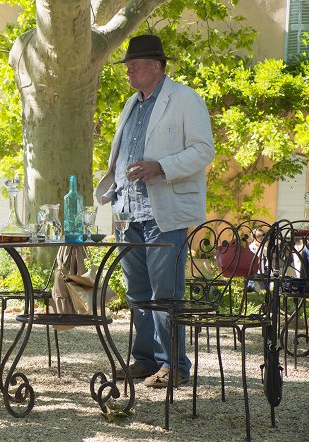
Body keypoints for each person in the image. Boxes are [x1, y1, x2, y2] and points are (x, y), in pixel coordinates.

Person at [96, 35, 215, 388]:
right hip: (127, 213)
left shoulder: (185, 100)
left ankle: (174, 365)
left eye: (135, 64)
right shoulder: (131, 104)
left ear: (157, 67)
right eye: (128, 65)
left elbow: (203, 151)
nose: (128, 70)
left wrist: (160, 167)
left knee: (165, 294)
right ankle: (145, 359)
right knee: (136, 293)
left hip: (164, 213)